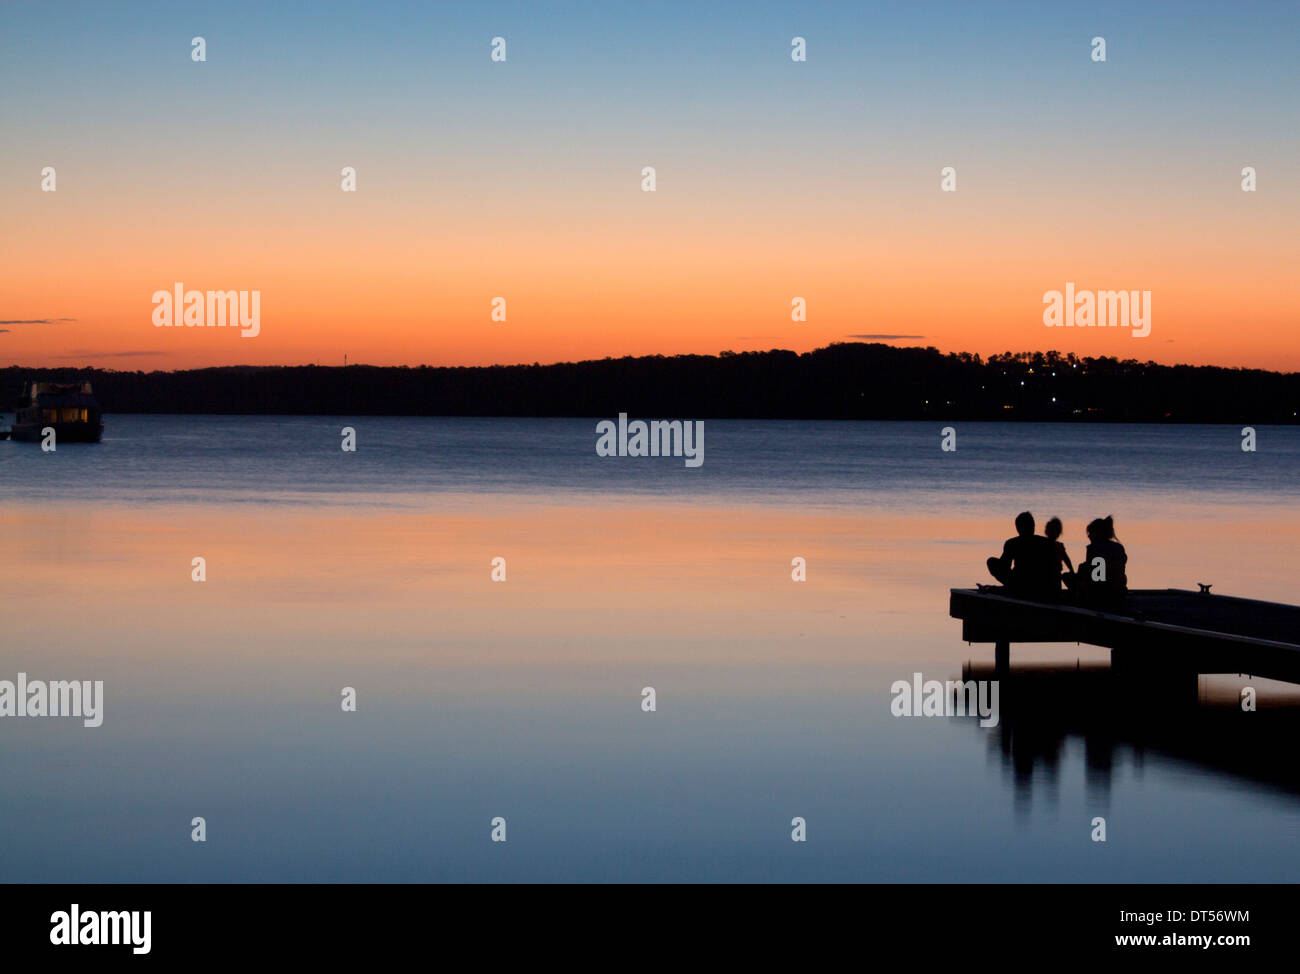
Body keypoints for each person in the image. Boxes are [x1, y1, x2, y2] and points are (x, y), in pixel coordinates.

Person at [986, 511, 1058, 600]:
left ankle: (1012, 589)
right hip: (1043, 586)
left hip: (1021, 585)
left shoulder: (1012, 543)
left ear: (1018, 528)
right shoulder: (1047, 543)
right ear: (1033, 526)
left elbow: (1004, 567)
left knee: (991, 561)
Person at [1071, 516, 1128, 609]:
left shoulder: (1095, 548)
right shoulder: (1118, 547)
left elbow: (1097, 578)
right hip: (1119, 589)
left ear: (1098, 533)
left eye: (1090, 533)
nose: (1088, 536)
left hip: (1101, 594)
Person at [1045, 516, 1073, 589]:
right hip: (1052, 575)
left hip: (1055, 575)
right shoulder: (1057, 546)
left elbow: (1066, 559)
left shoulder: (1058, 546)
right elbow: (1066, 559)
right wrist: (1071, 570)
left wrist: (1071, 570)